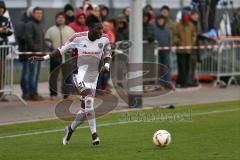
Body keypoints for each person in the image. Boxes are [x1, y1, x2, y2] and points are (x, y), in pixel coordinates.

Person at [29, 15, 112, 146]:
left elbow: (107, 53)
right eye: (98, 29)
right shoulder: (77, 37)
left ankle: (70, 129)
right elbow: (59, 51)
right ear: (90, 28)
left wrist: (106, 65)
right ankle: (94, 135)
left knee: (85, 109)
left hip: (94, 76)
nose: (101, 32)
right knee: (89, 100)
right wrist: (42, 58)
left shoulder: (105, 38)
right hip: (80, 74)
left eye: (102, 29)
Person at [45, 12, 75, 99]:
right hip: (55, 55)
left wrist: (71, 48)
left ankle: (66, 94)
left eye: (62, 17)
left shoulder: (70, 30)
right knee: (53, 75)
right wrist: (51, 47)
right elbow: (47, 41)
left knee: (67, 76)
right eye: (59, 17)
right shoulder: (50, 30)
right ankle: (53, 94)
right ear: (56, 19)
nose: (60, 19)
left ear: (64, 19)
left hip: (67, 55)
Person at [21, 7, 45, 100]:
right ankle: (31, 93)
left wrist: (43, 51)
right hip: (32, 55)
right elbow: (28, 38)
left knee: (36, 74)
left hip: (39, 55)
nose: (39, 15)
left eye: (40, 13)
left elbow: (42, 40)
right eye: (37, 13)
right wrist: (36, 49)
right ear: (33, 14)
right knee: (32, 74)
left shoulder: (40, 25)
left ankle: (34, 92)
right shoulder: (30, 24)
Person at [174, 13, 197, 88]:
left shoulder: (191, 25)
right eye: (185, 18)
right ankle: (181, 82)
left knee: (187, 67)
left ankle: (185, 81)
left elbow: (194, 35)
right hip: (180, 51)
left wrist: (192, 42)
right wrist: (178, 42)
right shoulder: (178, 25)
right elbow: (174, 36)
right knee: (181, 67)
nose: (186, 20)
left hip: (188, 50)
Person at [0, 0, 13, 99]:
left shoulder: (5, 19)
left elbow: (10, 31)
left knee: (2, 72)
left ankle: (1, 93)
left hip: (2, 51)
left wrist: (6, 30)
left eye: (2, 9)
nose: (0, 10)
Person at [154, 15, 171, 83]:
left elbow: (169, 39)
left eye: (162, 20)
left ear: (164, 21)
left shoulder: (167, 29)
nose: (160, 21)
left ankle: (167, 81)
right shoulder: (154, 29)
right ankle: (159, 81)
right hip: (157, 51)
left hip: (166, 51)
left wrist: (169, 47)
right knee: (159, 67)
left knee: (167, 66)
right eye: (159, 20)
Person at [189, 10, 200, 87]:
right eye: (195, 15)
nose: (197, 17)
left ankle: (192, 80)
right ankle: (189, 81)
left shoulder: (196, 24)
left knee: (193, 65)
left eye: (197, 15)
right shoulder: (190, 24)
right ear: (192, 15)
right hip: (190, 48)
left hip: (195, 48)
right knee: (190, 66)